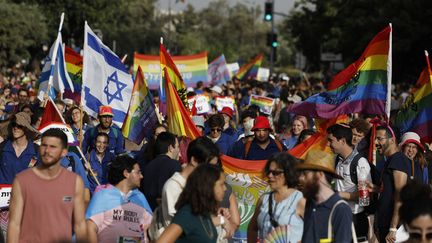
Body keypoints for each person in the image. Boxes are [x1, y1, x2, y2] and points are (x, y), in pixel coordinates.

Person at [7, 128, 87, 242]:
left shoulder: (75, 182)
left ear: (64, 152)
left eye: (53, 147)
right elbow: (14, 224)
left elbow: (80, 225)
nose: (47, 151)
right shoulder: (21, 181)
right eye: (44, 145)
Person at [86, 154, 152, 243]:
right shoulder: (103, 196)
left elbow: (150, 228)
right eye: (138, 172)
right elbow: (90, 227)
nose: (141, 176)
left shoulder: (140, 198)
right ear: (126, 173)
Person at [157, 164, 226, 243]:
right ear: (208, 186)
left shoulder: (204, 213)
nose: (225, 188)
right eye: (221, 184)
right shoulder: (187, 213)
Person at [327, 124, 371, 242]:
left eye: (331, 140)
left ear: (342, 141)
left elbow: (365, 198)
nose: (328, 144)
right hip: (338, 217)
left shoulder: (360, 163)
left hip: (355, 220)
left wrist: (340, 195)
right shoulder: (336, 159)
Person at [297, 149, 353, 242]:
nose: (301, 178)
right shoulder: (310, 203)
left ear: (319, 174)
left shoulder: (340, 208)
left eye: (305, 174)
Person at [247, 153, 305, 242]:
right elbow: (252, 228)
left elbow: (314, 231)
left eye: (275, 173)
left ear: (288, 173)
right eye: (269, 172)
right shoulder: (263, 199)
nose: (270, 176)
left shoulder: (300, 200)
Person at [372, 125, 412, 243]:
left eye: (379, 138)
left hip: (395, 228)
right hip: (385, 223)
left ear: (392, 140)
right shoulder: (390, 160)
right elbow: (389, 190)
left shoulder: (398, 159)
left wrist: (393, 227)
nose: (375, 142)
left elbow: (400, 194)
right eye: (375, 138)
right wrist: (375, 189)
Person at [142, 132, 181, 210]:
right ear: (170, 148)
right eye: (177, 146)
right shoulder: (174, 165)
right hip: (167, 214)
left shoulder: (148, 166)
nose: (178, 150)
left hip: (150, 214)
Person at [0, 112, 39, 184]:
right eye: (14, 124)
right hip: (3, 193)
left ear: (26, 128)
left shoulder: (37, 151)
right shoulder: (2, 147)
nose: (15, 128)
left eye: (20, 125)